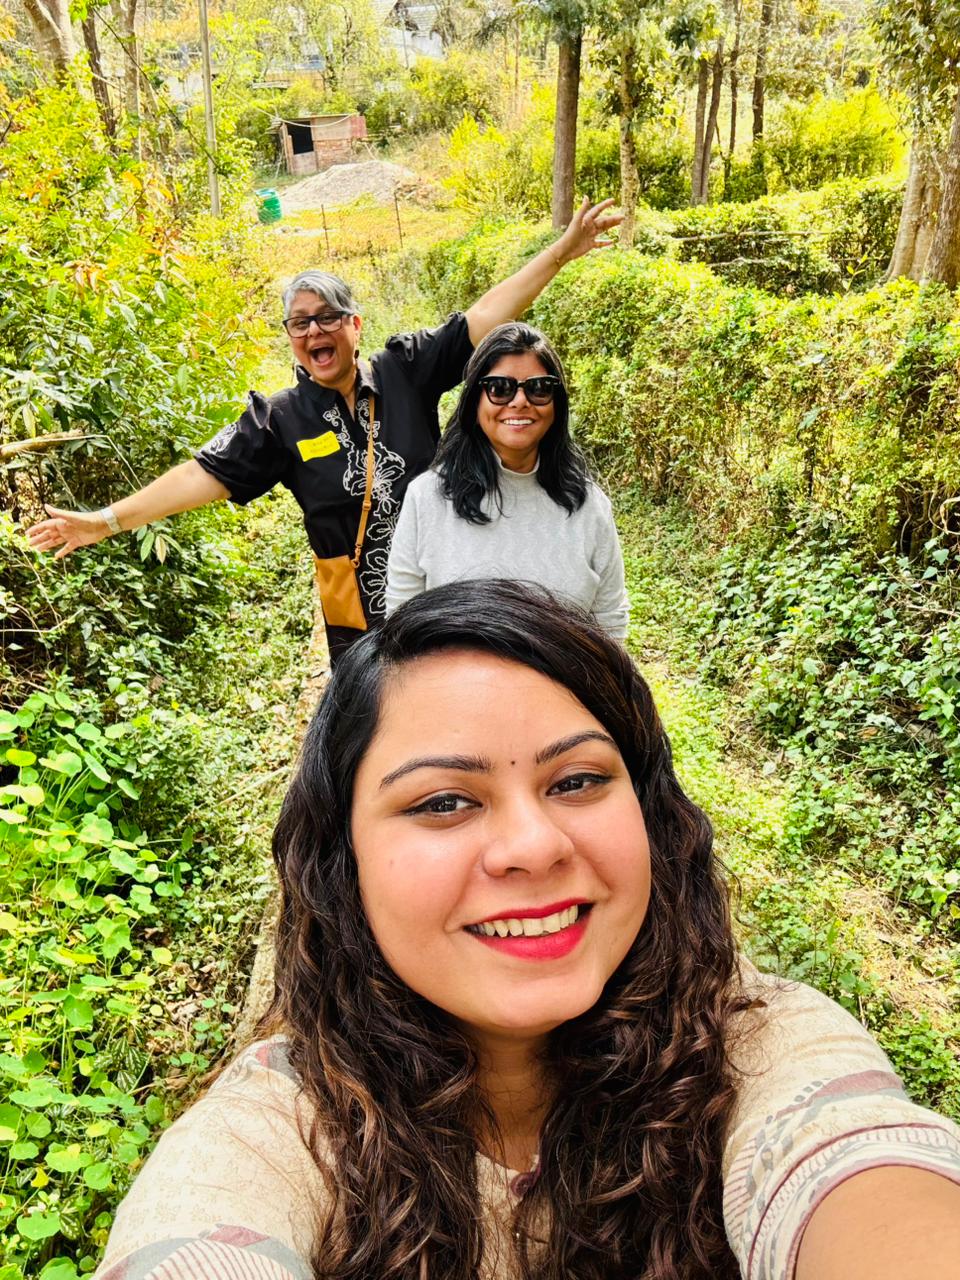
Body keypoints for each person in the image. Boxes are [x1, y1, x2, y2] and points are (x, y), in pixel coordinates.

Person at [94, 581, 960, 1280]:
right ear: (341, 861)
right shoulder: (277, 1131)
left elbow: (850, 1159)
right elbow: (198, 1232)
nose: (535, 846)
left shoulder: (759, 1045)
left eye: (578, 781)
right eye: (443, 801)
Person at [24, 200, 623, 664]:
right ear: (290, 338)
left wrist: (561, 253)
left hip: (447, 596)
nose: (315, 332)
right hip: (358, 622)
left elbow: (485, 317)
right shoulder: (280, 420)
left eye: (328, 317)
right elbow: (201, 476)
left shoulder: (405, 370)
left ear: (355, 324)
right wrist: (105, 521)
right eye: (300, 323)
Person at [385, 323, 629, 639]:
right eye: (500, 388)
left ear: (556, 403)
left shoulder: (590, 507)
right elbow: (401, 624)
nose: (520, 401)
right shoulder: (427, 499)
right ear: (475, 401)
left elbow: (610, 623)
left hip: (565, 674)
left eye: (539, 388)